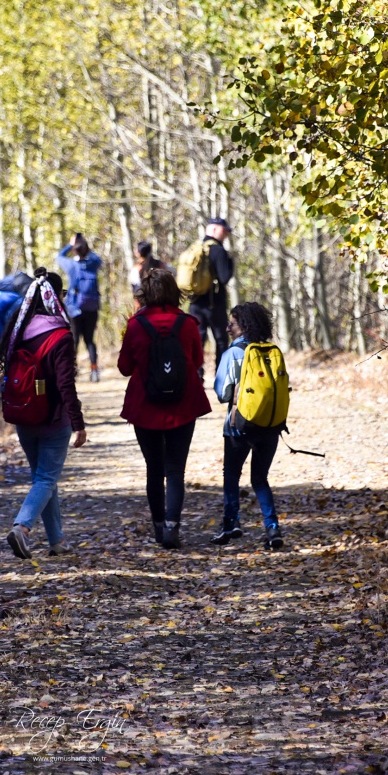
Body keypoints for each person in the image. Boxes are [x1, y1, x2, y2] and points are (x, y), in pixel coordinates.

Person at [116, 268, 210, 549]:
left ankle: (158, 526)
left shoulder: (136, 325)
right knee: (175, 470)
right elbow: (195, 361)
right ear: (173, 291)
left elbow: (124, 368)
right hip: (183, 404)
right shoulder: (188, 324)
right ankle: (172, 526)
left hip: (146, 406)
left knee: (153, 469)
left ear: (145, 293)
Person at [0, 271, 87, 559]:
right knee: (46, 479)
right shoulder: (60, 334)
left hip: (23, 416)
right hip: (52, 419)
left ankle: (57, 541)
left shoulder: (18, 330)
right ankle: (21, 528)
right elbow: (65, 384)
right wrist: (78, 422)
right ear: (56, 298)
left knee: (43, 479)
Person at [212, 302, 286, 549]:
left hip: (239, 425)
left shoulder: (233, 353)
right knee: (260, 478)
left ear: (242, 326)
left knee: (231, 475)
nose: (227, 328)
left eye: (231, 324)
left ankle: (230, 523)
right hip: (270, 425)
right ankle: (273, 528)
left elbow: (222, 393)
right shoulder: (271, 351)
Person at [187, 218, 236, 363]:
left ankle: (196, 377)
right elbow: (224, 277)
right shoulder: (218, 251)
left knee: (198, 340)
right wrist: (230, 261)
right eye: (224, 230)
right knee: (221, 340)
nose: (226, 234)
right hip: (215, 304)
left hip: (195, 303)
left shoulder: (195, 248)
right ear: (214, 229)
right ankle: (221, 379)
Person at [56, 233, 104, 382]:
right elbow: (98, 259)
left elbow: (59, 256)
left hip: (75, 308)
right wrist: (85, 246)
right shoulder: (93, 265)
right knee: (90, 340)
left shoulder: (71, 266)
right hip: (92, 307)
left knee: (74, 339)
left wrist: (71, 245)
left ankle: (72, 370)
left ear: (75, 251)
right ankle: (94, 371)